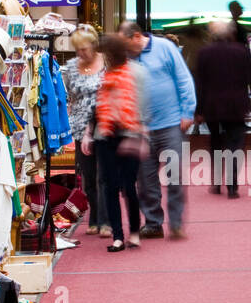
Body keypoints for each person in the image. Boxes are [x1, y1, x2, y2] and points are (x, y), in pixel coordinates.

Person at [119, 20, 196, 239]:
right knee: (145, 179)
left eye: (128, 44)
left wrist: (187, 112)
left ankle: (177, 223)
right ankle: (153, 222)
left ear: (136, 36)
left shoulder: (165, 48)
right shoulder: (127, 57)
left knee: (175, 177)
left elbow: (184, 79)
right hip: (141, 128)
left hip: (171, 124)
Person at [83, 34, 146, 253]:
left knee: (129, 187)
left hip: (129, 133)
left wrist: (141, 130)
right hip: (105, 135)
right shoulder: (104, 74)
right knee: (110, 187)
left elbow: (144, 104)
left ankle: (135, 231)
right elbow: (97, 106)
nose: (105, 57)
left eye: (107, 53)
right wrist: (89, 133)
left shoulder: (136, 72)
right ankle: (118, 235)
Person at [194, 20, 251, 198]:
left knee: (216, 143)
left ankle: (217, 182)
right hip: (236, 105)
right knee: (235, 144)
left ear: (212, 34)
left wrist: (199, 110)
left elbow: (200, 83)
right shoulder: (241, 51)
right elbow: (249, 78)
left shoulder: (204, 53)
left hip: (212, 106)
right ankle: (232, 186)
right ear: (230, 33)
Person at [61, 25, 107, 234]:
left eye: (85, 49)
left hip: (105, 124)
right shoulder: (71, 67)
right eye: (77, 49)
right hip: (80, 127)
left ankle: (106, 219)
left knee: (105, 174)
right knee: (88, 176)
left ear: (94, 45)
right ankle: (94, 217)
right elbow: (69, 94)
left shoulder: (106, 62)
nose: (81, 53)